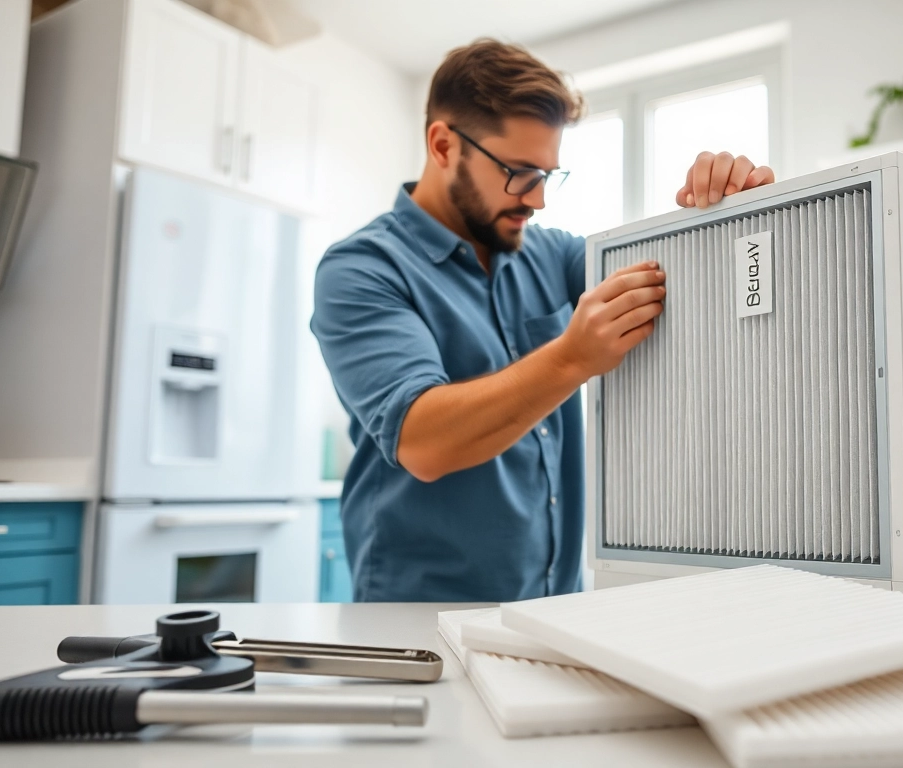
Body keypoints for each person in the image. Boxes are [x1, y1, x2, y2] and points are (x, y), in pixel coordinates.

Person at [311, 39, 776, 602]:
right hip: (417, 620)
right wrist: (574, 357)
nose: (537, 201)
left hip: (554, 607)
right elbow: (423, 440)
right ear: (442, 144)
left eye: (547, 176)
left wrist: (733, 209)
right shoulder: (362, 269)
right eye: (519, 173)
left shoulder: (548, 254)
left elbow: (679, 280)